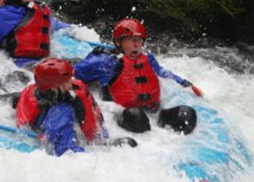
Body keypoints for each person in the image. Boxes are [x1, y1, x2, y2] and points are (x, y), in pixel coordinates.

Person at [74, 19, 203, 134]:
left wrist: (185, 83)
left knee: (186, 115)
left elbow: (162, 72)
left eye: (139, 40)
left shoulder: (147, 58)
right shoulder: (102, 62)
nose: (136, 45)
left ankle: (173, 143)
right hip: (120, 112)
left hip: (154, 112)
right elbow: (73, 75)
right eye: (131, 40)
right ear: (118, 42)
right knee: (136, 116)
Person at [16, 58, 106, 156]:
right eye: (67, 81)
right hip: (90, 141)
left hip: (96, 140)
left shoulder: (67, 96)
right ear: (54, 88)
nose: (72, 82)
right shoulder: (59, 113)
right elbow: (68, 153)